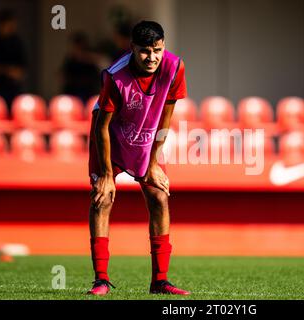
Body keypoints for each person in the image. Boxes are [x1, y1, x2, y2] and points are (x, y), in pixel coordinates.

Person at [87, 20, 189, 296]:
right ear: (132, 48)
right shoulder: (114, 76)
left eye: (157, 50)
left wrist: (154, 162)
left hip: (145, 136)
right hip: (110, 137)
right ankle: (101, 280)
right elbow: (102, 127)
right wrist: (107, 176)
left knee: (158, 195)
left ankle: (160, 281)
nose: (152, 57)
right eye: (145, 51)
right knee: (102, 199)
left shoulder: (175, 67)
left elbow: (166, 117)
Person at [0, 9, 26, 109]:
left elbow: (21, 69)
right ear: (0, 24)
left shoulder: (16, 42)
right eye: (9, 26)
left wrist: (16, 73)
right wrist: (6, 70)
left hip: (12, 91)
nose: (11, 29)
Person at [60, 32, 101, 104]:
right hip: (72, 93)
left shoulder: (91, 59)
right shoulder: (70, 60)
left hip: (87, 92)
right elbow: (63, 76)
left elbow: (96, 74)